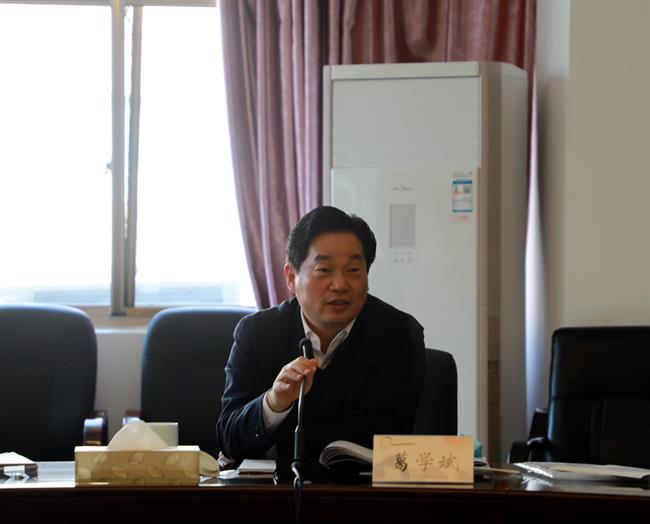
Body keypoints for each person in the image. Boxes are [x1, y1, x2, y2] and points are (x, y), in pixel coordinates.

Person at [217, 206, 425, 464]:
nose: (340, 285)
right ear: (291, 278)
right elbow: (229, 436)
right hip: (274, 489)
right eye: (324, 270)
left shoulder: (398, 334)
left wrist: (276, 444)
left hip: (363, 488)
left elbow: (383, 439)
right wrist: (273, 403)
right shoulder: (257, 333)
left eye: (353, 270)